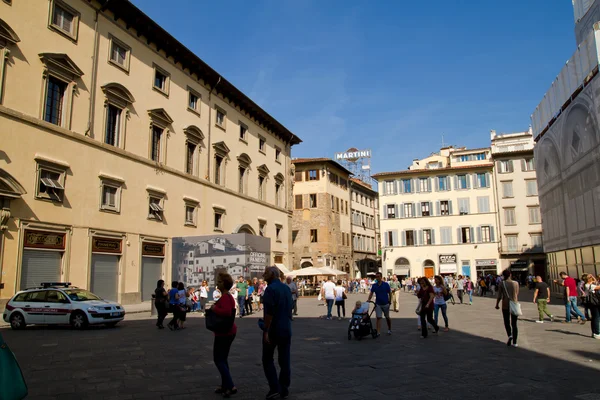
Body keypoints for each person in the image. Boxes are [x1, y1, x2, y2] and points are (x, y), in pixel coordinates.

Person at [261, 266, 293, 399]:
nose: (263, 275)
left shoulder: (270, 289)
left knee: (267, 358)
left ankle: (274, 387)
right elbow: (290, 306)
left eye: (266, 273)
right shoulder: (286, 288)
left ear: (273, 275)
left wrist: (266, 330)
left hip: (274, 329)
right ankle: (284, 388)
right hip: (286, 327)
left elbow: (269, 313)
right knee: (284, 359)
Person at [211, 272, 238, 397]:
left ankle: (230, 385)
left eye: (220, 281)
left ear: (225, 284)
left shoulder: (226, 297)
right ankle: (225, 385)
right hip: (226, 331)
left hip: (224, 332)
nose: (217, 283)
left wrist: (214, 309)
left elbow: (226, 312)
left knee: (218, 359)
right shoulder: (226, 296)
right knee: (223, 359)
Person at [496, 269, 519, 347]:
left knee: (506, 322)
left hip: (505, 305)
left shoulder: (502, 283)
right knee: (514, 324)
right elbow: (517, 293)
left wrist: (497, 304)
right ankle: (515, 342)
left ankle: (510, 335)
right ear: (510, 275)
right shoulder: (516, 283)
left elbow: (499, 295)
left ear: (503, 275)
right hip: (514, 304)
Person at [367, 272, 392, 336]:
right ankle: (378, 331)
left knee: (387, 317)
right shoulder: (374, 285)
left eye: (378, 276)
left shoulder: (386, 284)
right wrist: (368, 299)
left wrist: (390, 301)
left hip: (386, 303)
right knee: (378, 317)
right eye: (376, 277)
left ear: (381, 277)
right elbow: (371, 293)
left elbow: (390, 293)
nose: (377, 278)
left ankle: (389, 329)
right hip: (378, 304)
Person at [582, 274, 600, 339]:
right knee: (597, 318)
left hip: (591, 303)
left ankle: (594, 332)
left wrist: (592, 277)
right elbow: (598, 287)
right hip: (594, 303)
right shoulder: (590, 286)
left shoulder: (587, 284)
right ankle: (597, 333)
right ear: (589, 279)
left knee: (594, 317)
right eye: (591, 278)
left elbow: (595, 282)